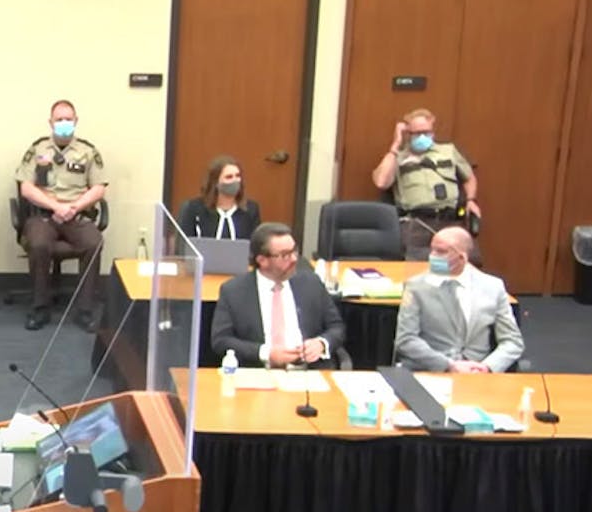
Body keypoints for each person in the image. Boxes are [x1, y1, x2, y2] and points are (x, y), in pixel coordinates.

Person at [14, 99, 107, 331]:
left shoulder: (88, 152)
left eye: (68, 119)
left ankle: (85, 310)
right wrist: (56, 207)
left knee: (94, 243)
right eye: (59, 119)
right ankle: (40, 308)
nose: (64, 123)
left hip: (76, 214)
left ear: (76, 121)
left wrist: (73, 208)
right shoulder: (38, 149)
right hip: (43, 215)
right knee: (38, 244)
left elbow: (98, 188)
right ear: (50, 122)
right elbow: (26, 188)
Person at [211, 222, 345, 369]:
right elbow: (221, 340)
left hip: (308, 373)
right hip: (258, 375)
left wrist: (321, 343)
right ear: (262, 260)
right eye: (285, 255)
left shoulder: (311, 283)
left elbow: (336, 327)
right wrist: (266, 353)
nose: (294, 259)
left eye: (294, 251)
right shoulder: (234, 291)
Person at [394, 227, 523, 373]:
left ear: (462, 257)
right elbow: (405, 340)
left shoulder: (492, 287)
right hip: (433, 371)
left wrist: (487, 367)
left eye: (441, 252)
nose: (432, 256)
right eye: (432, 250)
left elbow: (512, 342)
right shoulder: (416, 286)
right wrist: (450, 365)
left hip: (478, 374)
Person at [371, 108, 481, 260]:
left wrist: (471, 200)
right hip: (417, 223)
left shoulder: (448, 151)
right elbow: (381, 182)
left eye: (427, 132)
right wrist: (396, 145)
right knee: (417, 267)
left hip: (449, 220)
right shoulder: (398, 158)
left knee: (461, 262)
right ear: (408, 134)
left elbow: (469, 177)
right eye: (417, 133)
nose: (423, 137)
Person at [177, 155, 261, 240]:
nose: (235, 180)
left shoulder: (250, 210)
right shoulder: (193, 209)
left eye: (237, 176)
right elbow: (183, 245)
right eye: (229, 177)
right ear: (215, 182)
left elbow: (255, 245)